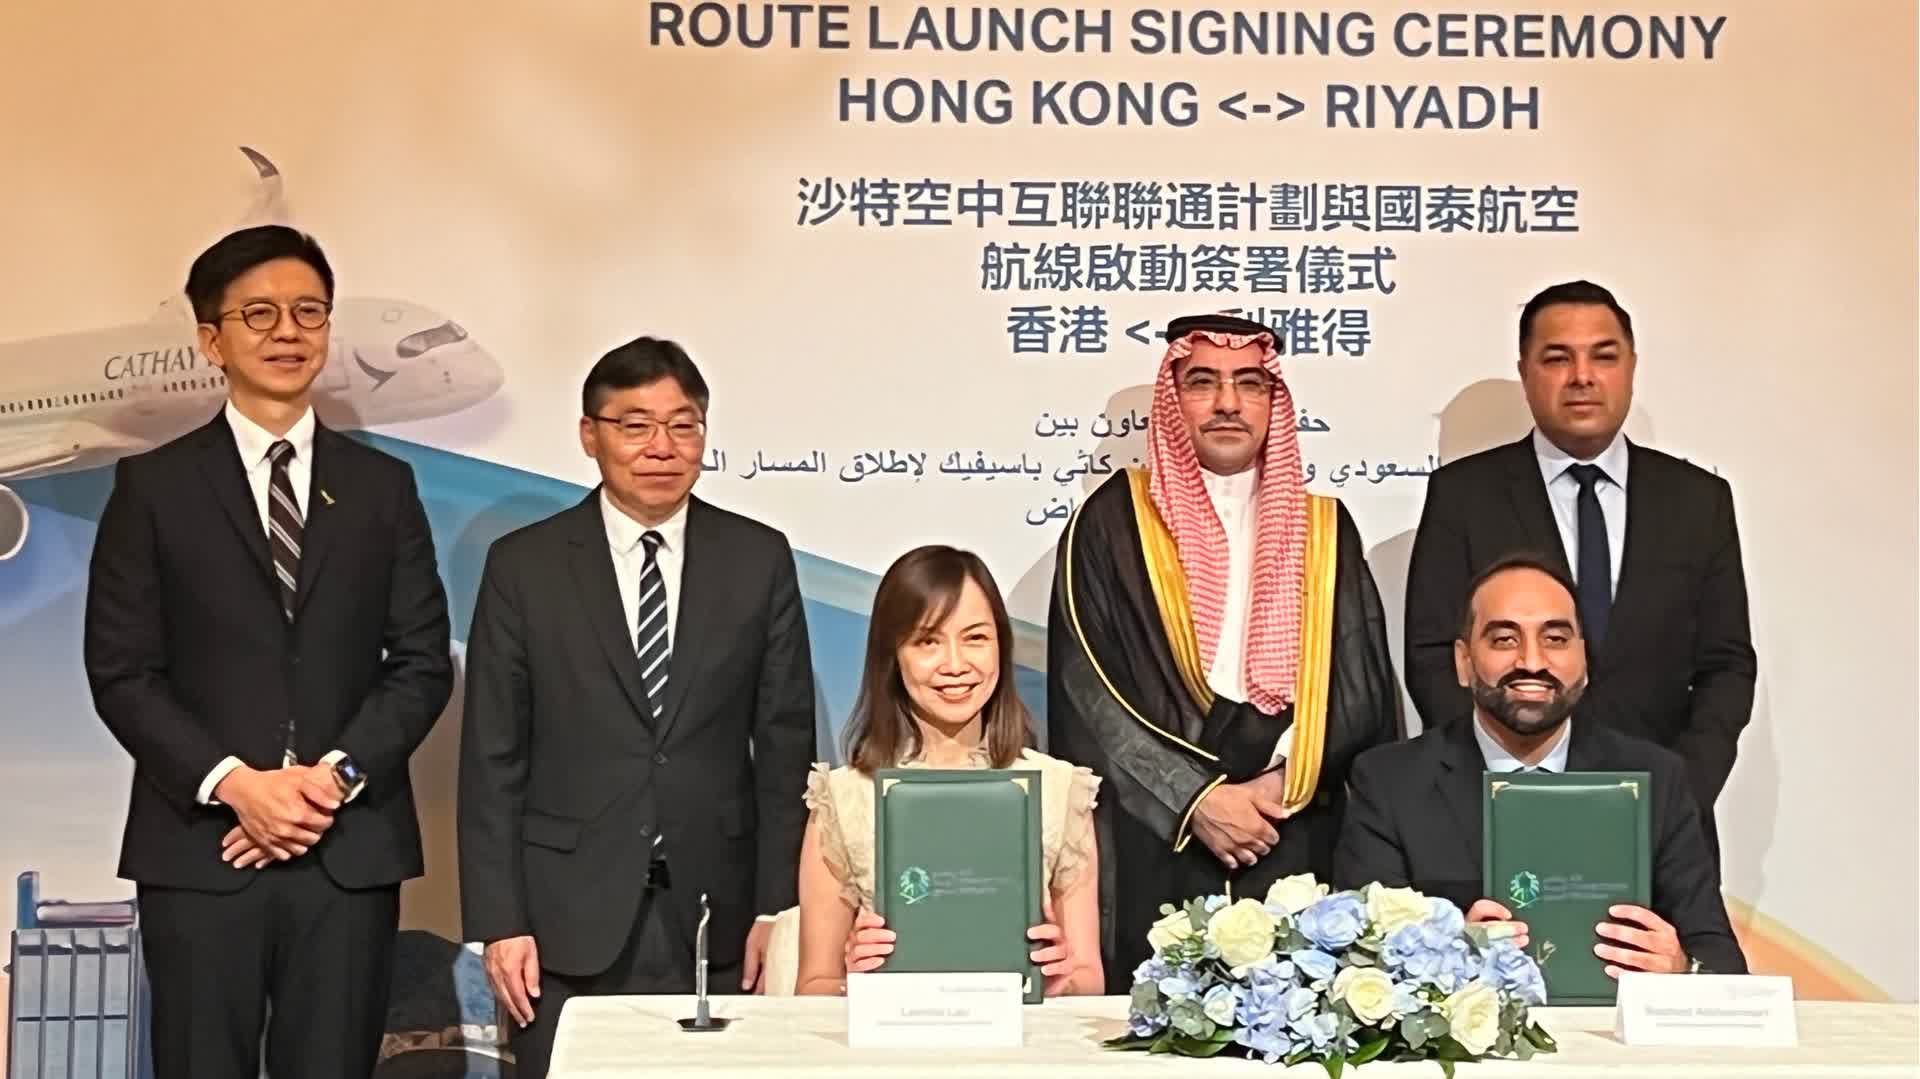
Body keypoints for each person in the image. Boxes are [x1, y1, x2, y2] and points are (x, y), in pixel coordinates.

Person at [84, 225, 454, 1078]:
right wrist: (238, 786)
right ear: (211, 340)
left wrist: (329, 781)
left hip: (346, 848)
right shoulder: (153, 487)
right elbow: (123, 672)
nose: (288, 331)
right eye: (259, 313)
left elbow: (422, 661)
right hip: (201, 849)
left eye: (308, 311)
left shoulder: (382, 487)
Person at [458, 336, 815, 1079]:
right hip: (562, 923)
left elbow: (786, 749)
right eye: (635, 425)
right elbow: (492, 757)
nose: (662, 447)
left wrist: (777, 910)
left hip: (719, 916)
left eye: (683, 426)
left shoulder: (757, 557)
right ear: (590, 435)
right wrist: (500, 921)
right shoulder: (525, 565)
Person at [1047, 312, 1398, 991]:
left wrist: (1281, 782)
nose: (1228, 402)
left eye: (1249, 383)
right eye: (1203, 382)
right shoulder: (1113, 521)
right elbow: (1084, 689)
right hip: (1161, 828)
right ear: (1173, 399)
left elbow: (1360, 685)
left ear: (1273, 401)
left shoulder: (1325, 528)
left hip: (1290, 820)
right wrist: (1194, 799)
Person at [1403, 280, 1755, 859]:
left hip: (1661, 824)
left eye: (1603, 356)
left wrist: (1679, 795)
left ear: (1632, 367)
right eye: (1557, 358)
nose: (1582, 377)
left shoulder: (1698, 500)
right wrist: (1505, 785)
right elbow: (1434, 654)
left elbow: (1727, 665)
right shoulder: (1464, 495)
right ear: (1525, 372)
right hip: (1499, 814)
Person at [1338, 553, 1746, 977]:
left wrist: (1681, 969)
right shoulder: (1390, 783)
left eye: (1555, 639)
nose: (1532, 662)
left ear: (1584, 659)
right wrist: (1450, 959)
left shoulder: (1657, 778)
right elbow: (1359, 962)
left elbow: (1720, 958)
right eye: (1504, 640)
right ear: (1463, 661)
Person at [794, 545, 1103, 996]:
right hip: (892, 1038)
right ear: (892, 655)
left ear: (1001, 646)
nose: (956, 665)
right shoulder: (843, 798)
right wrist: (853, 983)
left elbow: (1089, 977)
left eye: (975, 638)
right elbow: (813, 985)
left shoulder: (1060, 789)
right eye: (927, 642)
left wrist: (1061, 980)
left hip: (1020, 1038)